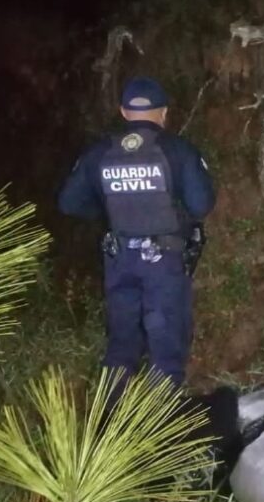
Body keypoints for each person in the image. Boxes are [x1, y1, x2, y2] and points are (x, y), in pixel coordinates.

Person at [58, 76, 215, 405]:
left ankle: (106, 423)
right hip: (163, 263)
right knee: (165, 347)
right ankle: (156, 426)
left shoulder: (99, 153)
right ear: (164, 113)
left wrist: (110, 212)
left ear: (124, 112)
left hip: (119, 261)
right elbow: (201, 205)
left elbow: (69, 203)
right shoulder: (178, 150)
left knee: (121, 344)